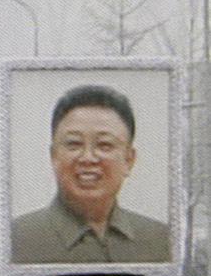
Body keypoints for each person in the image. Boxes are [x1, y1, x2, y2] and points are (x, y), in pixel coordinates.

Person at [12, 84, 170, 264]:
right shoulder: (17, 239)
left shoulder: (161, 241)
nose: (88, 158)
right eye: (74, 144)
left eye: (104, 145)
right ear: (54, 156)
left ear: (129, 160)